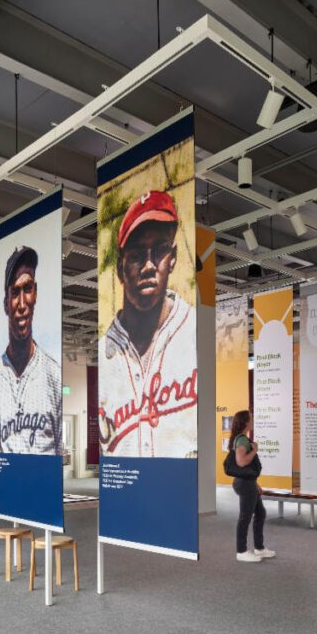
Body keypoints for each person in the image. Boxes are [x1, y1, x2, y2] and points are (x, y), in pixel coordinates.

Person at [98, 190, 197, 458]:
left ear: (173, 257)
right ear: (120, 267)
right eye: (137, 255)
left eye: (160, 251)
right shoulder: (104, 354)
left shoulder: (194, 330)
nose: (149, 266)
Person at [0, 246, 62, 454]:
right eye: (15, 292)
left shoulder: (54, 377)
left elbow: (59, 452)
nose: (22, 304)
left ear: (35, 293)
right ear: (6, 303)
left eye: (27, 289)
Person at [229, 410, 275, 563]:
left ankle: (259, 548)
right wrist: (254, 450)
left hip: (248, 482)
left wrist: (255, 483)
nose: (253, 420)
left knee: (260, 513)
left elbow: (245, 469)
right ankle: (241, 551)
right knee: (245, 517)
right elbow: (242, 462)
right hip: (244, 484)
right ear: (246, 422)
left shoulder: (242, 439)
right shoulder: (242, 440)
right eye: (251, 418)